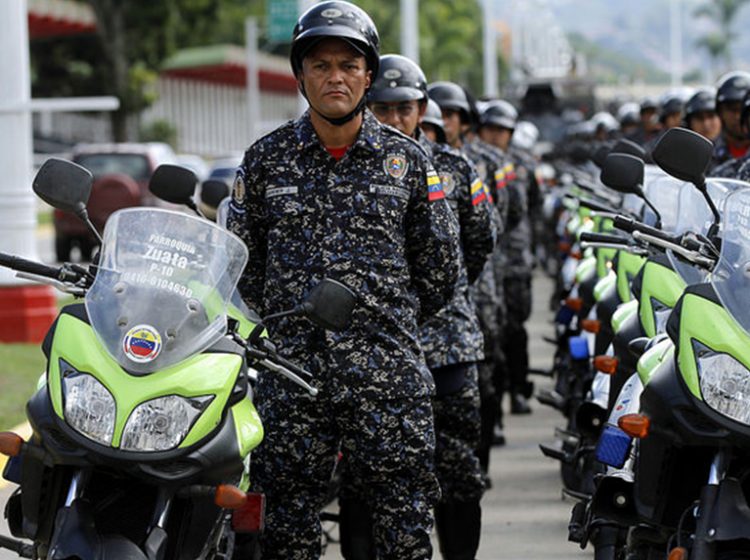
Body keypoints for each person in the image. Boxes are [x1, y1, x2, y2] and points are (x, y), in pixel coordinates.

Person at [226, 3, 460, 558]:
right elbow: (243, 263)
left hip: (387, 377)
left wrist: (383, 324)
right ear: (300, 75)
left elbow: (441, 270)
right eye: (321, 64)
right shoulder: (266, 161)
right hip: (293, 376)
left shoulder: (407, 162)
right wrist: (289, 323)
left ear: (368, 76)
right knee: (285, 530)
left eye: (349, 65)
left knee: (402, 532)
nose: (336, 77)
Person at [339, 53, 495, 560]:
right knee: (364, 477)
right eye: (381, 108)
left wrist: (426, 303)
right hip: (370, 353)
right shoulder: (349, 163)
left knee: (457, 473)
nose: (393, 119)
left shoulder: (452, 168)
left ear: (423, 109)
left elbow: (477, 242)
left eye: (404, 108)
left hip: (444, 346)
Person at [478, 100, 535, 417]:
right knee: (490, 338)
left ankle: (518, 388)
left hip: (513, 259)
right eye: (491, 129)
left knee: (514, 328)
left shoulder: (519, 165)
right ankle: (494, 410)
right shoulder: (475, 161)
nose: (496, 136)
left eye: (502, 130)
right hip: (485, 266)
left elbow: (525, 208)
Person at [708, 71, 750, 173]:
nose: (739, 116)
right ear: (720, 112)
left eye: (745, 111)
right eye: (732, 109)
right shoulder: (705, 153)